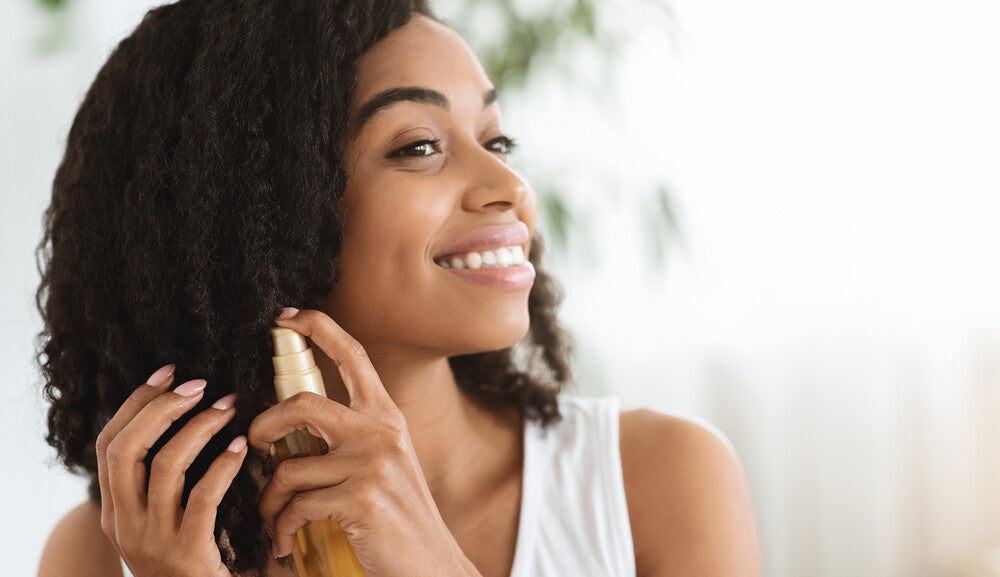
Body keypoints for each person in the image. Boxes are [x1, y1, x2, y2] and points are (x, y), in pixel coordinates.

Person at [34, 0, 762, 575]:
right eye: (419, 147)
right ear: (255, 213)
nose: (509, 185)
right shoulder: (107, 554)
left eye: (496, 140)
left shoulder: (659, 480)